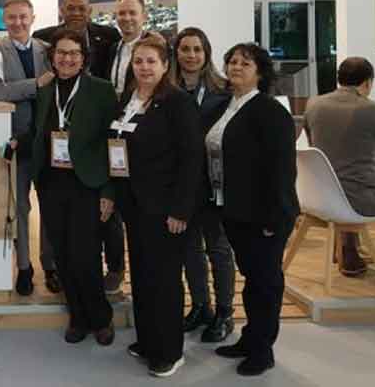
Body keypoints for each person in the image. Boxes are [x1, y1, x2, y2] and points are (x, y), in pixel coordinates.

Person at [15, 29, 118, 346]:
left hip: (87, 182)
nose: (67, 58)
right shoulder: (46, 89)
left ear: (83, 59)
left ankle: (100, 318)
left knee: (85, 254)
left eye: (74, 53)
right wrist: (17, 142)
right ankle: (77, 316)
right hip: (51, 182)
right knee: (62, 254)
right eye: (61, 52)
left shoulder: (101, 90)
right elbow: (39, 130)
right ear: (52, 57)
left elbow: (113, 142)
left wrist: (109, 191)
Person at [112, 34, 202, 378]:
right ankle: (149, 339)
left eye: (151, 61)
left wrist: (181, 210)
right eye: (139, 61)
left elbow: (191, 159)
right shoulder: (128, 98)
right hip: (134, 205)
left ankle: (169, 350)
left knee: (164, 279)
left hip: (166, 208)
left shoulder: (178, 102)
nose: (144, 67)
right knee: (143, 274)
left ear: (165, 66)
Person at [210, 43, 298, 377]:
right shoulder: (226, 105)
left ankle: (263, 350)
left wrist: (275, 216)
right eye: (232, 61)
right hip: (235, 209)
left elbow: (282, 169)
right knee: (252, 279)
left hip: (265, 215)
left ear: (260, 72)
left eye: (245, 63)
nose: (236, 67)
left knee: (266, 282)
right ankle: (250, 338)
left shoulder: (270, 111)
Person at [304, 56, 375, 289]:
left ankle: (349, 255)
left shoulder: (314, 105)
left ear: (339, 79)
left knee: (344, 179)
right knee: (360, 187)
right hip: (366, 201)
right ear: (367, 82)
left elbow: (315, 145)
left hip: (324, 198)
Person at [0, 0, 59, 295]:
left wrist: (25, 89)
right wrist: (35, 85)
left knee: (50, 205)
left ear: (33, 18)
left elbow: (57, 88)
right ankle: (25, 268)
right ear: (4, 20)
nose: (18, 23)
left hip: (48, 141)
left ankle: (50, 266)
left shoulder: (47, 49)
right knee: (20, 207)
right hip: (16, 139)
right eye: (12, 18)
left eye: (23, 17)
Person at [170, 28, 236, 342]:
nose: (191, 55)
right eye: (185, 49)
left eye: (197, 49)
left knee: (218, 249)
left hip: (214, 182)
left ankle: (225, 312)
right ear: (176, 52)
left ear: (206, 53)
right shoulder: (167, 90)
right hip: (181, 183)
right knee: (189, 249)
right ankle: (200, 306)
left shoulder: (224, 91)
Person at [99, 0, 150, 294]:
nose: (127, 18)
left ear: (144, 16)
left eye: (132, 13)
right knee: (112, 204)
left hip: (142, 136)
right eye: (122, 14)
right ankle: (116, 268)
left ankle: (144, 272)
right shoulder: (112, 48)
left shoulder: (155, 49)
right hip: (114, 133)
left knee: (139, 208)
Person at [33, 0, 120, 79]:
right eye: (70, 8)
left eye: (82, 9)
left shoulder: (110, 35)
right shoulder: (43, 37)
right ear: (62, 11)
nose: (76, 13)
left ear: (89, 11)